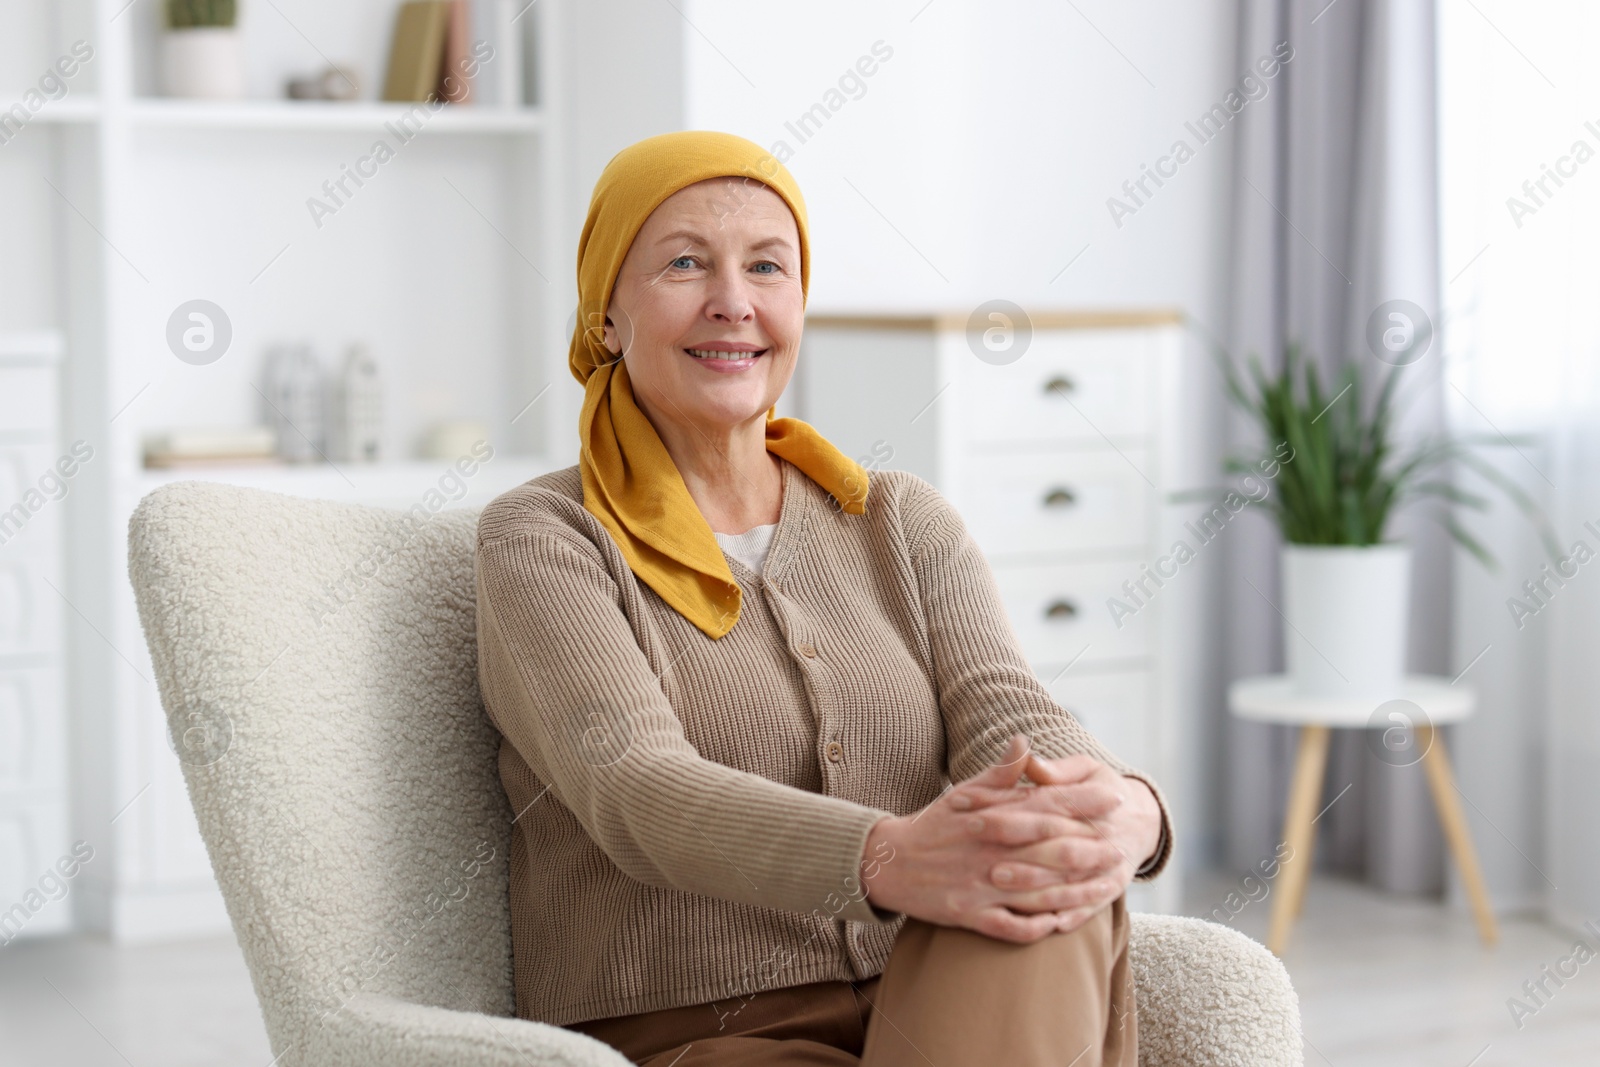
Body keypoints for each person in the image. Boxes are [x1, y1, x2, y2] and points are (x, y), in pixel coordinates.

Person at [474, 130, 1173, 1066]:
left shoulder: (901, 519)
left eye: (768, 266)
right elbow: (634, 785)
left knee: (1045, 876)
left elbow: (1008, 713)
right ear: (606, 314)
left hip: (938, 994)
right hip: (710, 1032)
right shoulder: (545, 537)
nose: (734, 303)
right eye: (685, 263)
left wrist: (1129, 810)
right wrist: (885, 856)